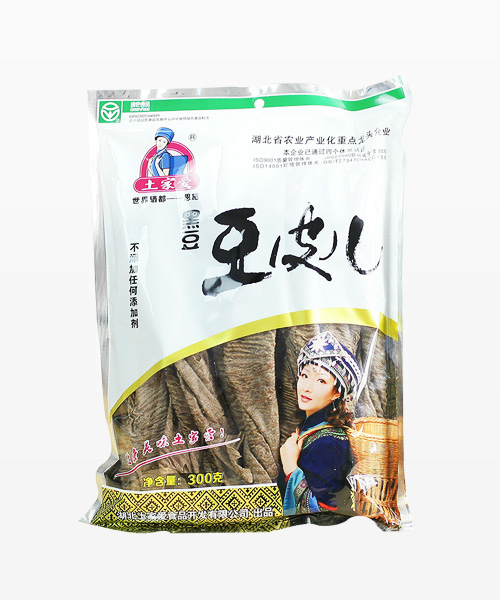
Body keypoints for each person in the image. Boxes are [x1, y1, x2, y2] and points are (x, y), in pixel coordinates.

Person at [279, 330, 362, 516]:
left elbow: (327, 515)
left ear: (336, 393)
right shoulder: (313, 430)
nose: (307, 387)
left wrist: (291, 467)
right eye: (305, 375)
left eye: (321, 381)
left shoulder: (328, 443)